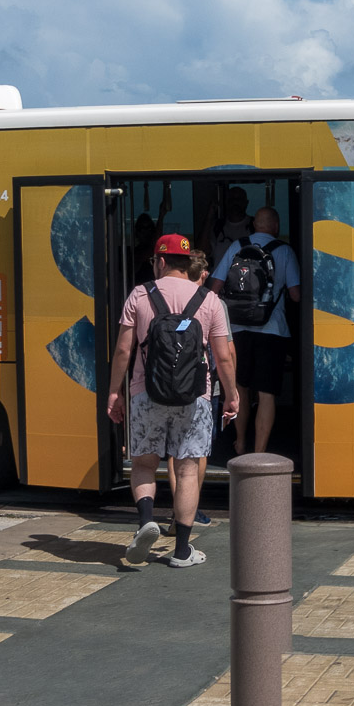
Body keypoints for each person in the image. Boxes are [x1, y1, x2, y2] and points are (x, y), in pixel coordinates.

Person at [106, 232, 237, 568]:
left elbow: (123, 349)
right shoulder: (209, 300)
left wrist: (115, 393)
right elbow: (223, 357)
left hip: (145, 392)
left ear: (160, 261)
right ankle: (181, 550)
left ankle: (147, 519)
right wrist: (232, 395)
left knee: (144, 464)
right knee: (188, 469)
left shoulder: (139, 295)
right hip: (195, 397)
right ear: (185, 262)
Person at [213, 207, 302, 457]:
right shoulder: (284, 251)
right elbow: (296, 295)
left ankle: (240, 442)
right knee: (266, 394)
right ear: (276, 226)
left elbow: (216, 284)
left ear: (254, 225)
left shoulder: (237, 247)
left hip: (238, 329)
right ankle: (259, 452)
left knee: (240, 387)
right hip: (272, 331)